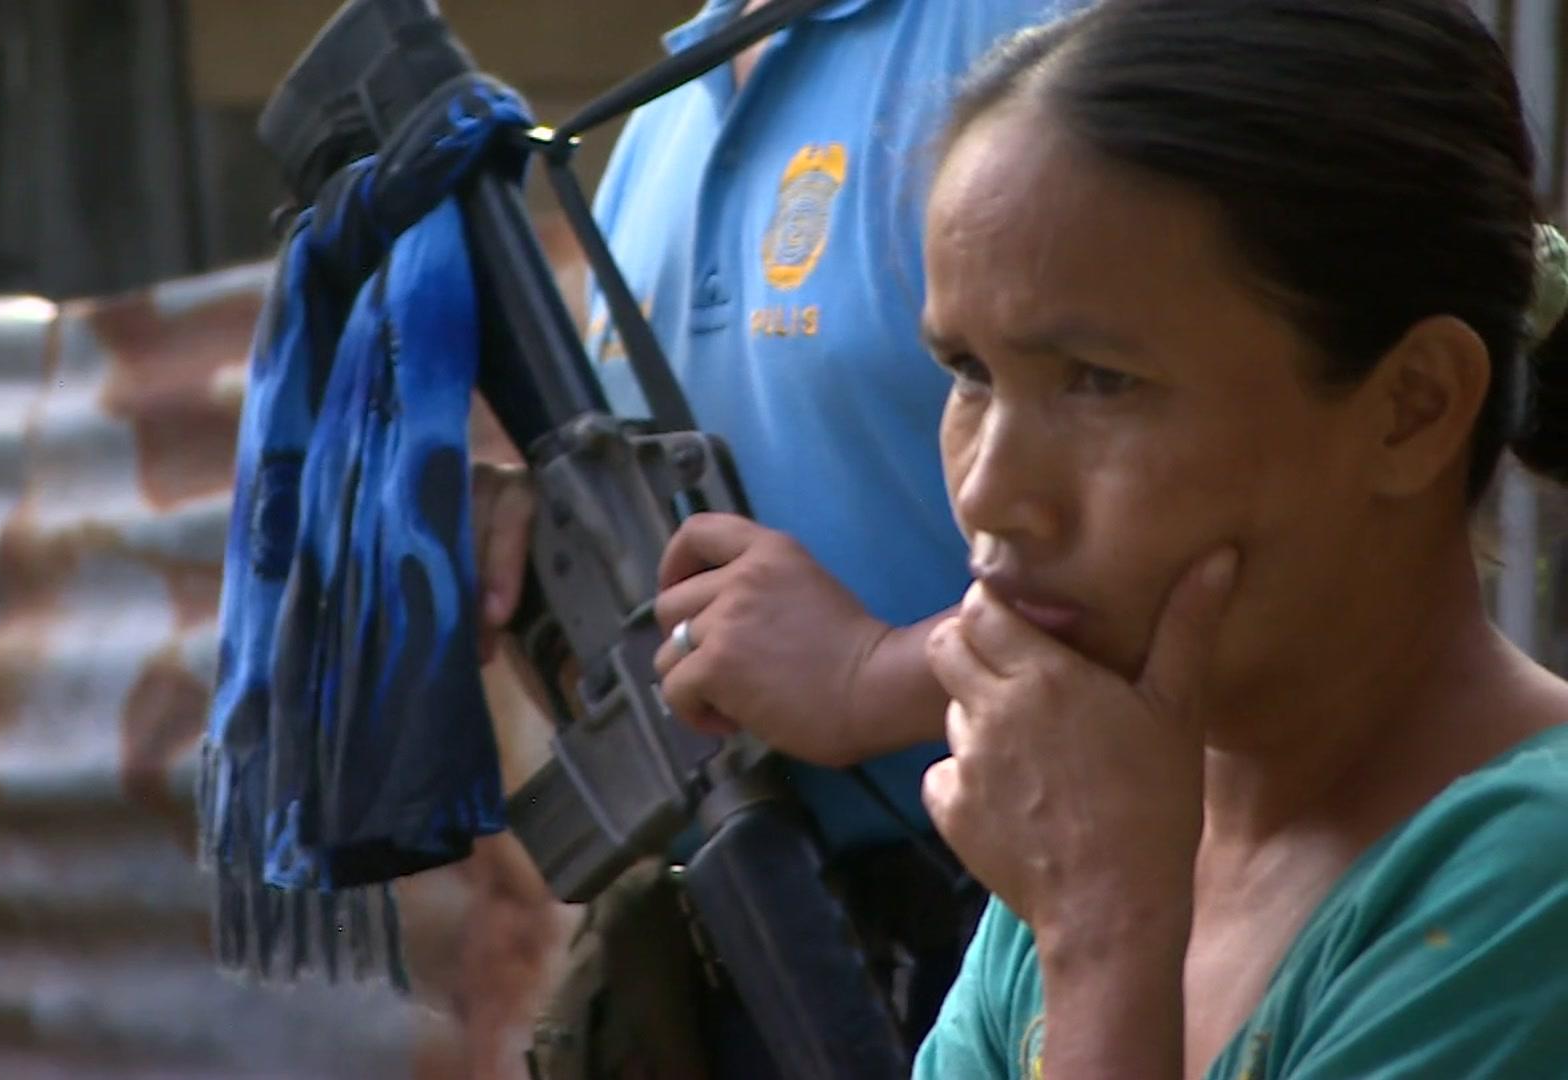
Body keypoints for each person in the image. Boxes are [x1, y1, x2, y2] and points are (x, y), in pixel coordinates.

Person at [650, 0, 1568, 1074]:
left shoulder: (1527, 882)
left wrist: (1103, 938)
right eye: (970, 375)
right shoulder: (1099, 822)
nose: (991, 493)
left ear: (1412, 406)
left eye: (1101, 383)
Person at [476, 0, 1082, 1072]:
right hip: (739, 956)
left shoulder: (1036, 33)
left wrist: (879, 675)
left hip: (1026, 949)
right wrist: (547, 554)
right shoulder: (662, 116)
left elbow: (1223, 554)